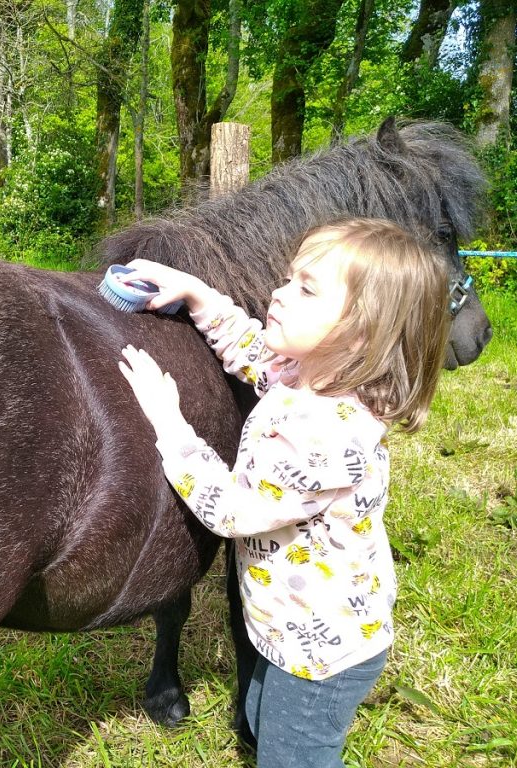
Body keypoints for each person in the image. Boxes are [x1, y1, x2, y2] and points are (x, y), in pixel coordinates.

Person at [116, 218, 451, 768]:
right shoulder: (315, 374)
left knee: (294, 757)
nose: (279, 291)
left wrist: (169, 423)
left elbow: (231, 509)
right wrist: (199, 294)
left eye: (306, 288)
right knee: (258, 716)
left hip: (321, 652)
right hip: (289, 623)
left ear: (360, 331)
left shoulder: (321, 434)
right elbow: (253, 351)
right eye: (290, 277)